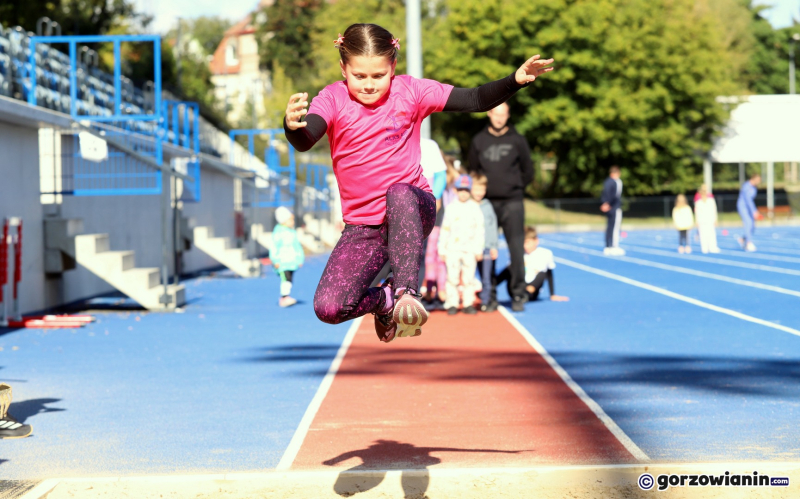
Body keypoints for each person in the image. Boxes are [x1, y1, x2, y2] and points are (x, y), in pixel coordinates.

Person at [283, 23, 554, 342]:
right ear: (344, 68)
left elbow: (475, 99)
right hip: (364, 228)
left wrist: (514, 80)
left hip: (413, 208)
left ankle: (405, 295)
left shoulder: (411, 91)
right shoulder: (332, 98)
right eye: (359, 76)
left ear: (393, 66)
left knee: (398, 192)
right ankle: (385, 300)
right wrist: (292, 126)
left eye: (379, 75)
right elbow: (306, 139)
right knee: (329, 307)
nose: (369, 85)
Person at [467, 102, 534, 312]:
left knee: (516, 248)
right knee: (485, 249)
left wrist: (516, 187)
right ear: (489, 113)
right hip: (487, 204)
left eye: (503, 114)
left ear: (508, 115)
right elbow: (473, 170)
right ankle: (490, 295)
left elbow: (528, 170)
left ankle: (518, 293)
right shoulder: (479, 140)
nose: (499, 118)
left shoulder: (517, 140)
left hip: (513, 202)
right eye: (496, 114)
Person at [438, 174, 484, 315]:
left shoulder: (475, 208)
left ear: (470, 191)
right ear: (455, 190)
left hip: (470, 249)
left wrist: (479, 249)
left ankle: (468, 303)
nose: (463, 193)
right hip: (453, 249)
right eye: (460, 190)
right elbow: (445, 229)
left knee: (469, 277)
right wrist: (442, 248)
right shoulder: (451, 207)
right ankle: (452, 302)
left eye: (466, 190)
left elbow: (480, 229)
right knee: (452, 277)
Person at [497, 227, 568, 303]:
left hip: (532, 291)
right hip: (517, 287)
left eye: (527, 242)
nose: (525, 246)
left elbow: (549, 274)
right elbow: (505, 273)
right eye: (523, 242)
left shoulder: (545, 253)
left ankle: (525, 295)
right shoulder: (518, 254)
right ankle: (491, 289)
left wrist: (552, 294)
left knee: (543, 273)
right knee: (510, 268)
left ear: (536, 241)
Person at [471, 172, 499, 312]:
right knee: (469, 276)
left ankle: (485, 301)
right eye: (476, 189)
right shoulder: (468, 206)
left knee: (486, 277)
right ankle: (467, 301)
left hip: (486, 247)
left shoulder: (488, 205)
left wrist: (494, 246)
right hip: (470, 248)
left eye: (482, 189)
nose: (479, 192)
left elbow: (493, 226)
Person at [270, 206, 305, 307]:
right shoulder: (278, 232)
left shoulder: (292, 232)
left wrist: (300, 259)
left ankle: (286, 296)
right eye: (290, 220)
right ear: (284, 221)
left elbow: (297, 246)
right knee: (285, 278)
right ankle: (284, 297)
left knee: (289, 279)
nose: (293, 222)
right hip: (282, 262)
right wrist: (275, 260)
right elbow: (274, 247)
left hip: (291, 262)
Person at [600, 166, 625, 256]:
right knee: (614, 227)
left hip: (610, 207)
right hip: (614, 207)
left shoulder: (607, 181)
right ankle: (613, 246)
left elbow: (604, 193)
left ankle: (608, 246)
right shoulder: (616, 182)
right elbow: (614, 195)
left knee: (610, 227)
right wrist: (607, 203)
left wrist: (604, 203)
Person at [737, 173, 762, 252]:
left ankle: (743, 239)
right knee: (748, 223)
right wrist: (754, 211)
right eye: (758, 180)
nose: (759, 182)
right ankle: (748, 242)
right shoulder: (746, 186)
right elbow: (748, 200)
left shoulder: (754, 188)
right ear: (754, 179)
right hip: (743, 207)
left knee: (752, 226)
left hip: (749, 208)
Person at [694, 184, 720, 254]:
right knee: (703, 235)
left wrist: (715, 219)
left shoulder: (711, 200)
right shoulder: (698, 202)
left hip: (710, 219)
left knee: (711, 234)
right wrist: (697, 221)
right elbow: (697, 212)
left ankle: (713, 247)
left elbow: (714, 210)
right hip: (702, 221)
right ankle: (704, 248)